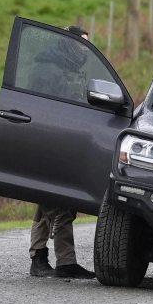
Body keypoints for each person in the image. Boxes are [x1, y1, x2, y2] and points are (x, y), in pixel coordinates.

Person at [27, 25, 96, 279]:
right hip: (51, 143)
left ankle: (40, 257)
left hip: (64, 142)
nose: (85, 51)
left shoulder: (67, 67)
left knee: (49, 202)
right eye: (81, 45)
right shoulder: (49, 69)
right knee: (60, 201)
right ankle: (63, 262)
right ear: (68, 44)